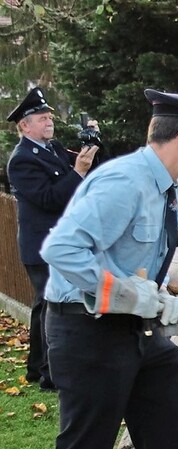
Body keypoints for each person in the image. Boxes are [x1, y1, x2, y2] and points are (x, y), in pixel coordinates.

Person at [40, 89, 178, 449]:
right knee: (87, 442)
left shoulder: (171, 196)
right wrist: (127, 293)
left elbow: (138, 267)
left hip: (136, 333)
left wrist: (160, 295)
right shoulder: (125, 182)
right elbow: (61, 249)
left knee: (169, 431)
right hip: (87, 331)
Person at [5, 87, 98, 391]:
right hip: (42, 245)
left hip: (57, 242)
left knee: (42, 305)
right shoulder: (21, 160)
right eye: (42, 118)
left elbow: (85, 165)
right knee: (52, 306)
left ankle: (36, 367)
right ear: (24, 126)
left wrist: (93, 143)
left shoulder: (52, 147)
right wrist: (78, 171)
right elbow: (49, 199)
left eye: (49, 117)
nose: (49, 122)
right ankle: (50, 374)